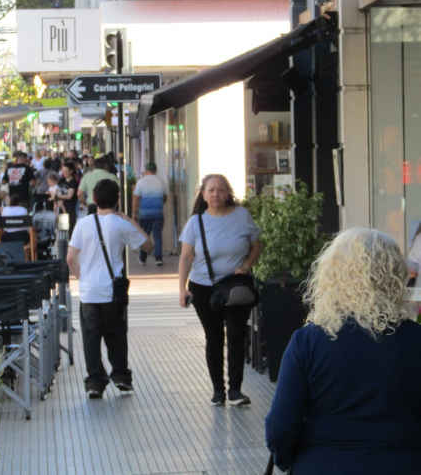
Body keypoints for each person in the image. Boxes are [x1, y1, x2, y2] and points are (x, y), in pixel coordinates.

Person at [265, 228, 421, 474]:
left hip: (322, 464)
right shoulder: (415, 339)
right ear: (395, 276)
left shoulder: (308, 342)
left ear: (333, 276)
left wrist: (288, 461)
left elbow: (280, 426)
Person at [178, 174, 261, 407]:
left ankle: (235, 390)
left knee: (236, 334)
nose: (216, 194)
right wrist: (182, 288)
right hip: (203, 288)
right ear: (203, 194)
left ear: (228, 193)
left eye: (221, 189)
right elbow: (186, 256)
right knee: (214, 336)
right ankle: (218, 391)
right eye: (211, 190)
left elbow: (256, 246)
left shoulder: (242, 216)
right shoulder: (195, 222)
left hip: (236, 287)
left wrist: (246, 265)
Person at [67, 179, 153, 399]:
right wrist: (130, 220)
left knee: (90, 338)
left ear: (94, 199)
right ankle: (121, 376)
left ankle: (95, 383)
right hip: (113, 292)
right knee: (116, 335)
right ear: (117, 200)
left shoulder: (83, 224)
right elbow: (148, 246)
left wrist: (82, 278)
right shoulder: (120, 224)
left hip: (89, 292)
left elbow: (70, 258)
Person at [131, 162, 168, 266]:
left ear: (146, 171)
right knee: (157, 236)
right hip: (158, 214)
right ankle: (158, 258)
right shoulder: (162, 182)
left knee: (144, 236)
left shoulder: (141, 182)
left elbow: (136, 198)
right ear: (155, 171)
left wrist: (133, 213)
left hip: (144, 215)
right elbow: (165, 198)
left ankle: (143, 258)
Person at [55, 161, 78, 237]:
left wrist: (58, 196)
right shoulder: (61, 180)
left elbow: (69, 196)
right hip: (62, 207)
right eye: (63, 171)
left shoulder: (73, 182)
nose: (64, 173)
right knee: (62, 230)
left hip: (70, 208)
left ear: (71, 171)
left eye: (66, 171)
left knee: (70, 229)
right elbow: (57, 191)